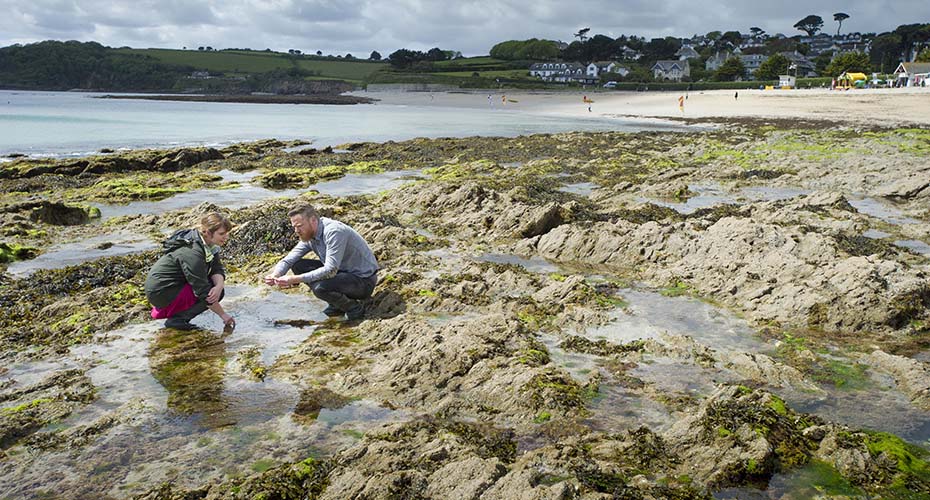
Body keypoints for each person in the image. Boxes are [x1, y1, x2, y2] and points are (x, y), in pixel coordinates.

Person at [264, 205, 378, 321]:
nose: (297, 231)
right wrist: (276, 274)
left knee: (320, 288)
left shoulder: (334, 232)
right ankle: (336, 303)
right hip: (342, 273)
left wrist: (295, 279)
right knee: (298, 265)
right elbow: (289, 260)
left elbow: (330, 270)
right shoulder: (310, 235)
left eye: (299, 226)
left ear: (313, 220)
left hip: (363, 281)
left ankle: (353, 308)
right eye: (294, 227)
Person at [145, 212, 235, 331]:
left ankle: (178, 314)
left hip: (175, 286)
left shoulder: (209, 244)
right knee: (212, 293)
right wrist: (223, 315)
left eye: (227, 233)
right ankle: (177, 320)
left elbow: (216, 268)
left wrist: (219, 285)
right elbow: (202, 291)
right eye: (222, 234)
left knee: (217, 290)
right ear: (207, 232)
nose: (226, 237)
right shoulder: (193, 251)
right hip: (161, 291)